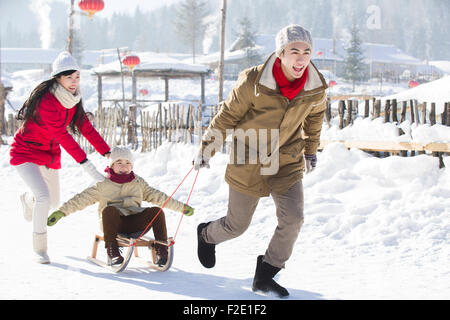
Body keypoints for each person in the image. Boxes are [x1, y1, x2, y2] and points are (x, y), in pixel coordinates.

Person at [193, 25, 327, 298]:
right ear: (280, 53)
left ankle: (266, 273)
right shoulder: (253, 81)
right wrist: (207, 149)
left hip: (286, 158)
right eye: (294, 51)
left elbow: (315, 118)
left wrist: (311, 150)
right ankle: (207, 235)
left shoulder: (315, 85)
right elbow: (227, 116)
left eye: (307, 52)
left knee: (294, 219)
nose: (301, 59)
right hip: (249, 158)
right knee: (236, 225)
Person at [10, 51, 110, 264]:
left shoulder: (72, 100)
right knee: (44, 197)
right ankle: (40, 249)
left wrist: (107, 152)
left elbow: (85, 127)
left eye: (77, 77)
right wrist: (89, 168)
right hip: (25, 151)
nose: (74, 82)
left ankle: (27, 199)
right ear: (58, 78)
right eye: (69, 78)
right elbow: (62, 135)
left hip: (49, 154)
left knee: (52, 202)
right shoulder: (47, 100)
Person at [47, 146, 194, 266]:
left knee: (156, 211)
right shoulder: (102, 184)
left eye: (128, 163)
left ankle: (162, 250)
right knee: (109, 210)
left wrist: (182, 208)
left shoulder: (138, 183)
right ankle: (113, 253)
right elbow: (80, 200)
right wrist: (61, 212)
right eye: (119, 163)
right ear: (111, 165)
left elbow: (159, 197)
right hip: (114, 226)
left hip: (135, 223)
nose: (124, 167)